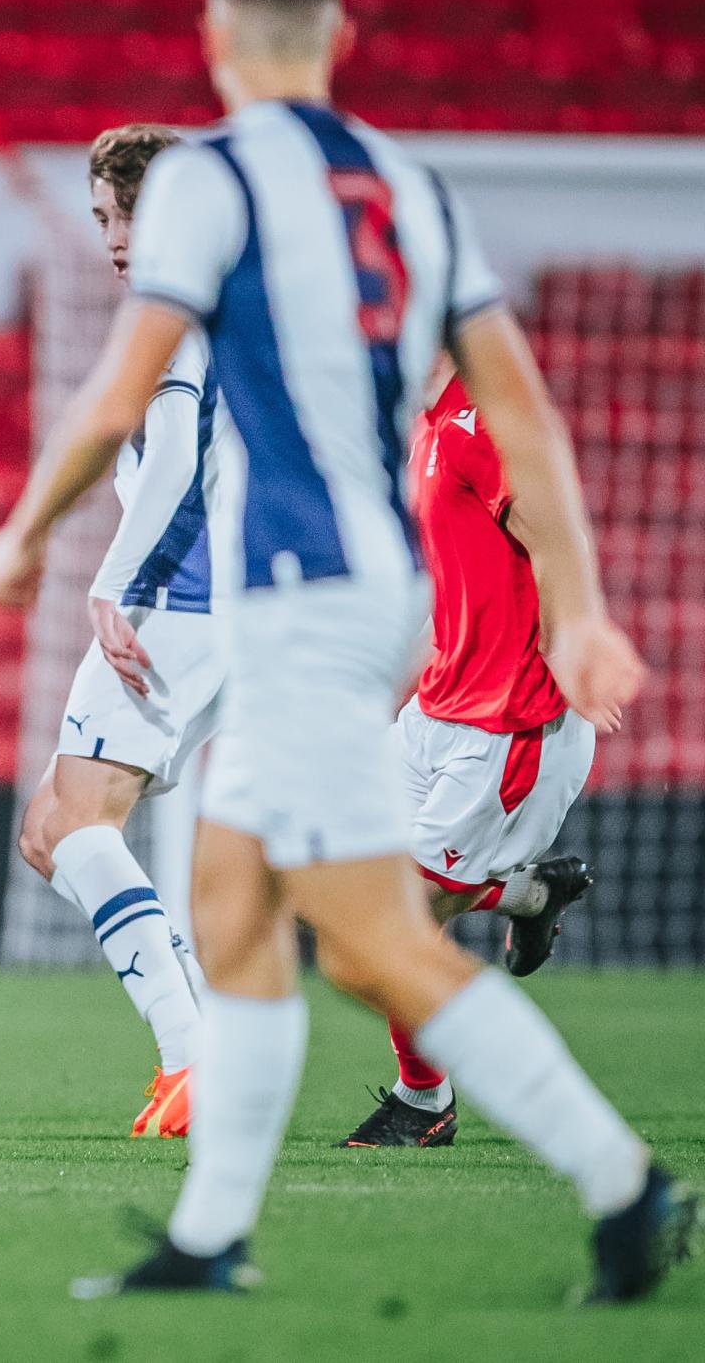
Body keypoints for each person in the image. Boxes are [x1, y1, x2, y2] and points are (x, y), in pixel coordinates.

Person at [0, 0, 693, 1302]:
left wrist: (27, 532)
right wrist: (588, 605)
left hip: (303, 598)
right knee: (236, 910)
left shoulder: (212, 180)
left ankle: (625, 1185)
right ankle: (210, 1238)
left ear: (216, 42)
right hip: (368, 593)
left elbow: (129, 392)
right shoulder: (411, 189)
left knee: (372, 938)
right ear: (342, 41)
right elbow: (523, 408)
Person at [16, 123, 227, 1140]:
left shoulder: (177, 320)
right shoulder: (233, 309)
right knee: (43, 830)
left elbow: (179, 459)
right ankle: (199, 1038)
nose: (109, 234)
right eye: (101, 214)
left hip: (171, 603)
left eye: (124, 212)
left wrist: (113, 582)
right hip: (219, 606)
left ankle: (190, 1057)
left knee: (75, 828)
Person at [339, 351, 597, 1147]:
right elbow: (462, 588)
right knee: (337, 880)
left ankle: (426, 1104)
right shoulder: (423, 424)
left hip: (507, 729)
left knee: (388, 930)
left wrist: (579, 643)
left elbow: (552, 533)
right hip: (436, 711)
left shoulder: (482, 418)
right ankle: (525, 895)